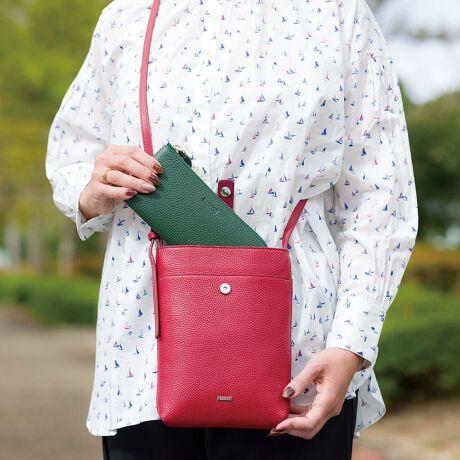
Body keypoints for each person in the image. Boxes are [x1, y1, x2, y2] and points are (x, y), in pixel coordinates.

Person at [45, 0, 418, 458]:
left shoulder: (337, 14)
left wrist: (350, 344)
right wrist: (94, 187)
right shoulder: (128, 15)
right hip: (143, 355)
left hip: (298, 353)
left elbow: (381, 196)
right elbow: (72, 152)